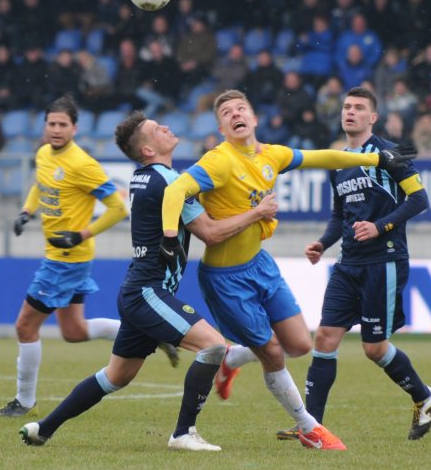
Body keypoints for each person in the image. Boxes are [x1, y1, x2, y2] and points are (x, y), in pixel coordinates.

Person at [161, 89, 415, 451]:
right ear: (221, 127)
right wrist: (171, 234)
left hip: (260, 266)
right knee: (274, 354)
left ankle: (233, 357)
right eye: (228, 112)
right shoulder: (217, 162)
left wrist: (378, 160)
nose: (236, 114)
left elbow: (322, 157)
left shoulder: (273, 155)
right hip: (225, 278)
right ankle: (309, 428)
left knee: (298, 345)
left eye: (241, 108)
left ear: (254, 118)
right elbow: (175, 190)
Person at [19, 111, 277, 450]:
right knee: (214, 346)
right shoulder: (171, 183)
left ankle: (43, 428)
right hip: (147, 291)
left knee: (116, 377)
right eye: (158, 129)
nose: (167, 127)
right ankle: (183, 434)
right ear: (147, 150)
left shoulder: (146, 177)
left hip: (138, 289)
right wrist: (257, 212)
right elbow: (211, 234)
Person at [0, 95, 176, 418]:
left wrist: (81, 233)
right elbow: (40, 184)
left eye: (63, 124)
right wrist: (26, 211)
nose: (56, 130)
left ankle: (24, 401)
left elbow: (118, 208)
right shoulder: (44, 154)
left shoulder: (83, 164)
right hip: (61, 258)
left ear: (74, 128)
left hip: (66, 260)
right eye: (51, 124)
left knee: (24, 326)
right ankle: (148, 331)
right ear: (45, 126)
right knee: (73, 332)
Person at [276, 87, 431, 442]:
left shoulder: (387, 155)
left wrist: (381, 226)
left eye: (358, 108)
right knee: (324, 336)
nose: (350, 112)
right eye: (347, 107)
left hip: (383, 261)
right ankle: (311, 427)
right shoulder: (339, 162)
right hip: (346, 263)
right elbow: (340, 215)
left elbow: (420, 198)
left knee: (374, 348)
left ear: (373, 117)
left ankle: (425, 396)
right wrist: (323, 243)